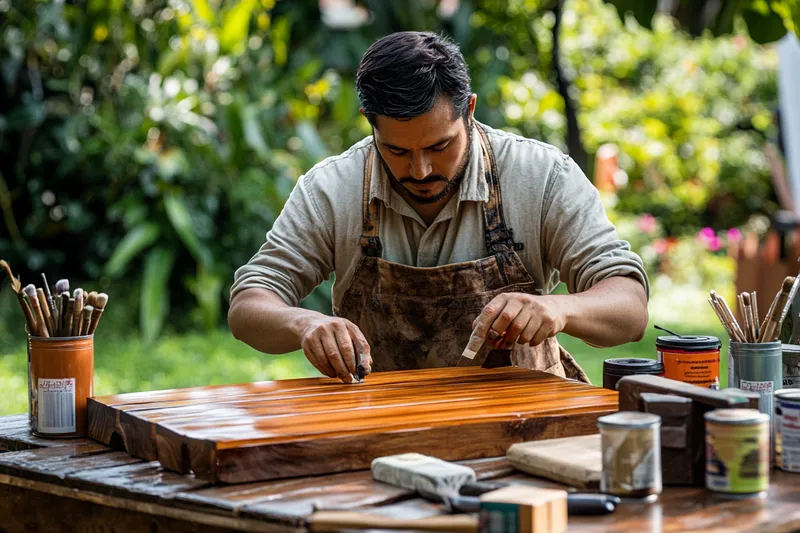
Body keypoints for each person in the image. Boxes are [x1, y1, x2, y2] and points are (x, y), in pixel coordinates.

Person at [228, 31, 649, 384]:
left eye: (439, 146)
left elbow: (629, 308)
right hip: (379, 422)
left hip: (524, 423)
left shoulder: (542, 176)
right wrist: (305, 324)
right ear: (369, 121)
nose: (421, 169)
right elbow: (248, 306)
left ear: (468, 110)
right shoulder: (331, 188)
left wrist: (559, 308)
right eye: (396, 151)